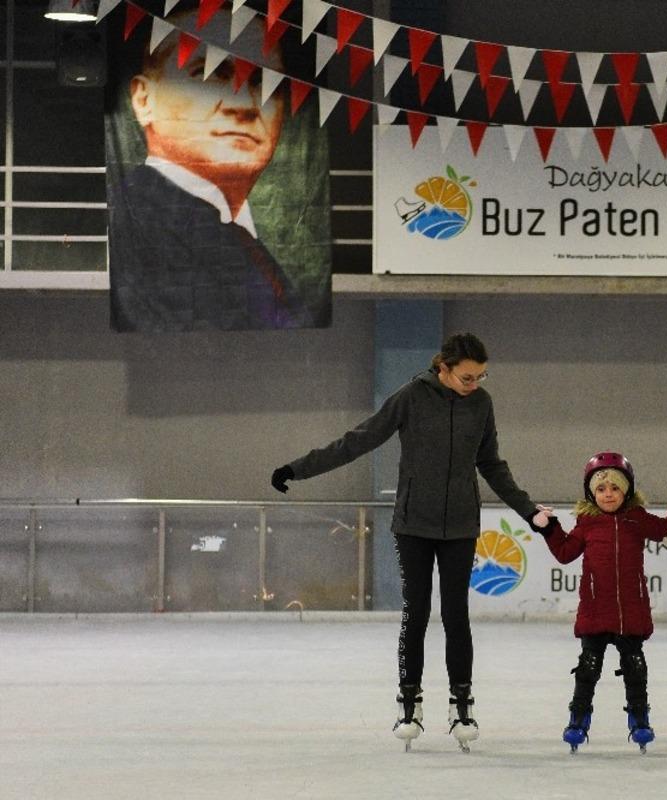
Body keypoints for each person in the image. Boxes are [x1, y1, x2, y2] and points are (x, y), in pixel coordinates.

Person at [270, 333, 547, 752]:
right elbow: (359, 439)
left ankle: (461, 704)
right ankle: (410, 702)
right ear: (445, 369)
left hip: (459, 527)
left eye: (481, 376)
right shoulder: (412, 397)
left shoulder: (481, 404)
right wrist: (298, 468)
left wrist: (529, 510)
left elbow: (491, 464)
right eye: (468, 377)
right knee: (415, 613)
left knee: (457, 615)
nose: (475, 384)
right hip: (412, 525)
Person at [108, 9, 321, 332]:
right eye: (209, 75)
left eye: (263, 82)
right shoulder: (135, 219)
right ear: (144, 99)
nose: (243, 104)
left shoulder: (246, 240)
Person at [534, 452, 667, 753]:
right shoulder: (588, 522)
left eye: (615, 488)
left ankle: (639, 717)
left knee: (634, 665)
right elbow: (565, 553)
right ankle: (578, 718)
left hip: (631, 610)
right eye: (601, 489)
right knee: (588, 667)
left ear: (627, 491)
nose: (608, 494)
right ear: (591, 493)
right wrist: (549, 527)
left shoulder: (637, 519)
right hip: (595, 609)